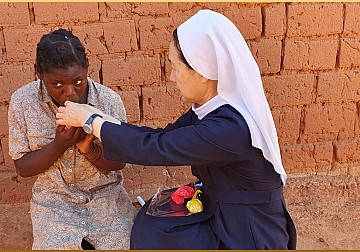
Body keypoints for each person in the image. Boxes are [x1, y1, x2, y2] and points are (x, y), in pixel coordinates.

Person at [56, 10, 297, 250]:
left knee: (153, 237)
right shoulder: (213, 108)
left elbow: (158, 149)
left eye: (175, 67)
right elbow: (163, 136)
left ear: (202, 72)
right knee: (151, 225)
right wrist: (104, 120)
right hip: (221, 205)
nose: (172, 77)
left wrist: (93, 121)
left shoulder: (229, 129)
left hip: (246, 229)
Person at [8, 28, 137, 250]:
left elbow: (119, 163)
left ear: (87, 70)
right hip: (54, 203)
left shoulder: (108, 101)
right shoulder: (23, 102)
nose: (69, 92)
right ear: (38, 73)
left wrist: (90, 150)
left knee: (131, 244)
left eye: (78, 81)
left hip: (106, 199)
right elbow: (23, 167)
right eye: (56, 84)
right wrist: (60, 145)